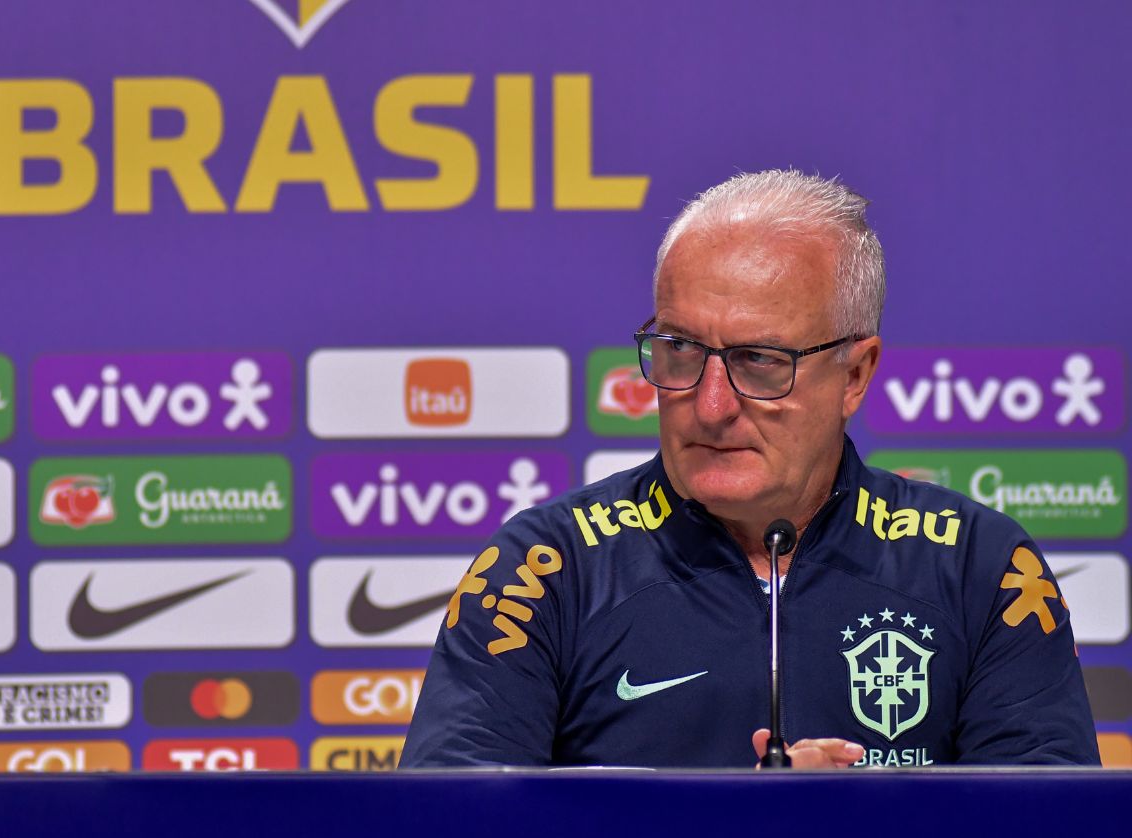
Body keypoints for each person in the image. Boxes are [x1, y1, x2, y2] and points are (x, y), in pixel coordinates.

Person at [399, 169, 1099, 768]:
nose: (709, 404)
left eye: (759, 361)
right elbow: (442, 835)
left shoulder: (981, 569)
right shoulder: (545, 569)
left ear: (855, 373)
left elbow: (1055, 836)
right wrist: (727, 825)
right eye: (679, 349)